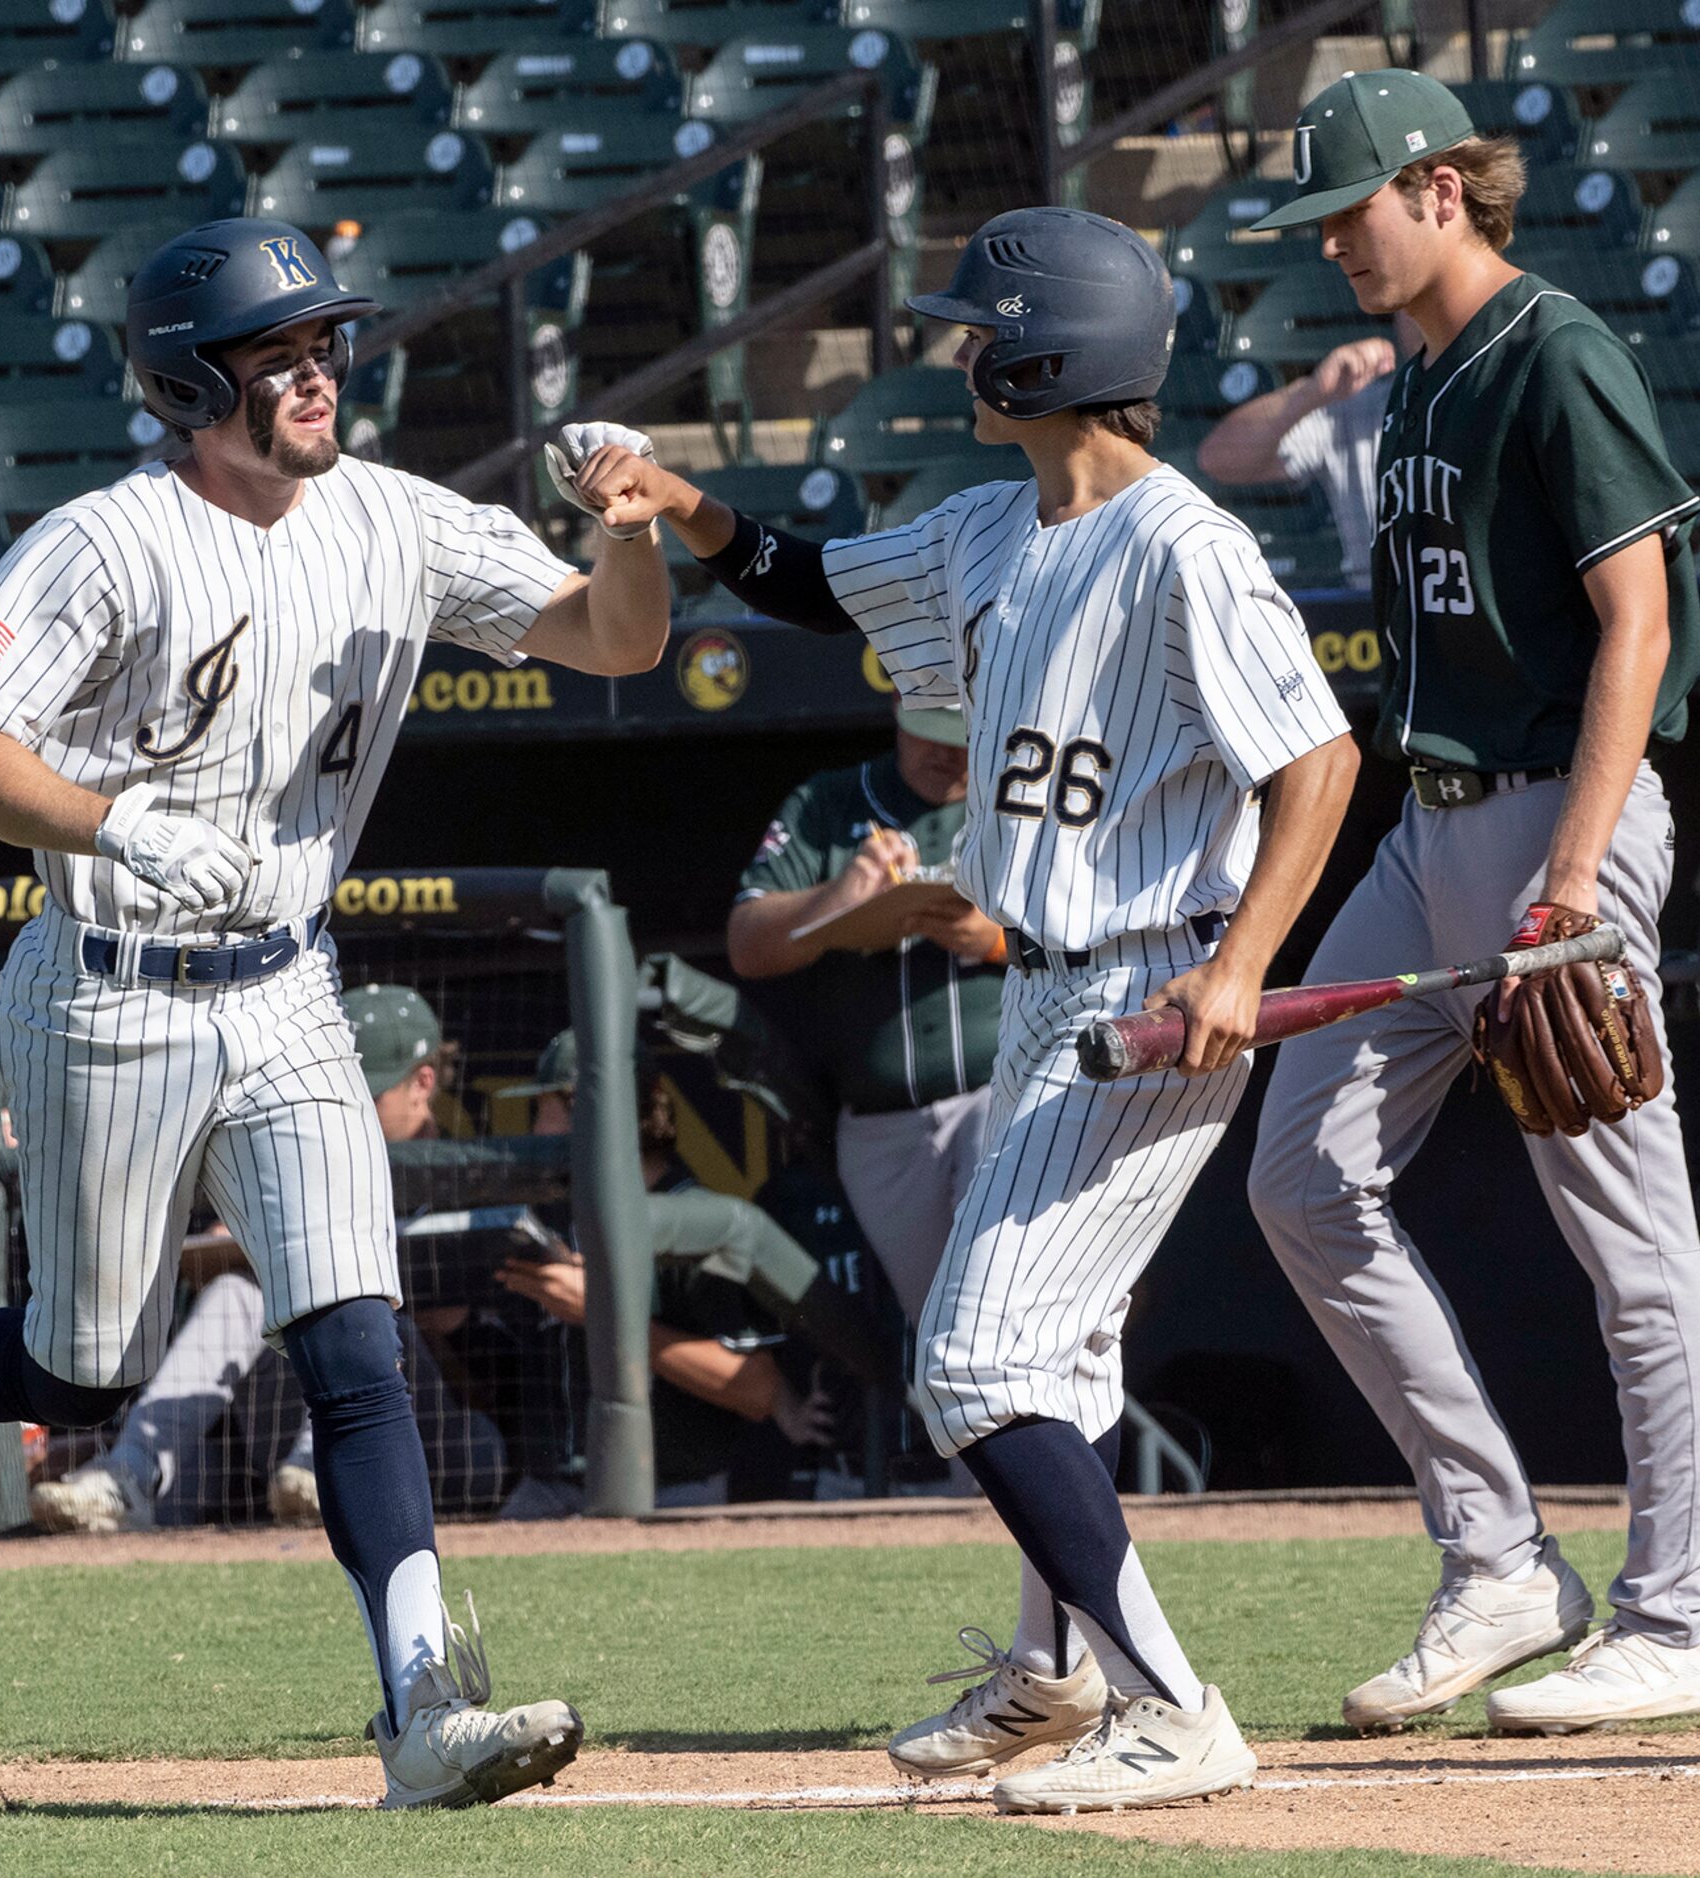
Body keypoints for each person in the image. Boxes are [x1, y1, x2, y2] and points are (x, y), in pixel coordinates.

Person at [0, 215, 667, 1810]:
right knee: (83, 1373)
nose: (322, 373)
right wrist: (120, 826)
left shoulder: (396, 519)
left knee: (355, 1335)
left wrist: (630, 529)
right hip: (108, 992)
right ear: (198, 382)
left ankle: (418, 1703)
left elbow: (616, 639)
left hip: (287, 990)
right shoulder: (104, 542)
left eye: (328, 345)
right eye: (283, 355)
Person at [563, 204, 1357, 1812]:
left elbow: (1317, 759)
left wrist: (1242, 964)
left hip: (1148, 976)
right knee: (1044, 1366)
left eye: (982, 329)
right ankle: (1057, 1674)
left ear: (1055, 351)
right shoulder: (996, 522)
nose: (960, 349)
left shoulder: (1184, 541)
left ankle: (1168, 1700)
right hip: (1055, 990)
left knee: (978, 1365)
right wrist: (676, 502)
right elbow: (802, 580)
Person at [1240, 71, 1700, 1737]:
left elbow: (1638, 628)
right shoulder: (1414, 376)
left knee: (1625, 1234)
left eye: (1348, 208)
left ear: (1438, 186)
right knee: (1300, 1174)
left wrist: (1570, 881)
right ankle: (1500, 1562)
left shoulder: (1552, 351)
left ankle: (1678, 1616)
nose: (1330, 242)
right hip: (1427, 825)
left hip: (1553, 823)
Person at [27, 984, 505, 1533]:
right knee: (239, 1295)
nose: (342, 1110)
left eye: (364, 1094)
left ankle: (322, 1465)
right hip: (289, 1431)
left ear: (422, 1083)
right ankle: (129, 1473)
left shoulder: (477, 1182)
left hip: (440, 1442)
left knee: (364, 1311)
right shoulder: (306, 1169)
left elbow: (505, 1382)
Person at [726, 701, 1003, 1320]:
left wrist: (997, 939)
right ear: (899, 713)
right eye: (929, 732)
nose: (947, 753)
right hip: (884, 1129)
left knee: (1004, 1307)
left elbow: (1109, 931)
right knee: (942, 1335)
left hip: (1003, 1094)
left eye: (961, 736)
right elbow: (746, 943)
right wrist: (837, 900)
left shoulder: (1024, 787)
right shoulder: (831, 803)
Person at [485, 1035, 826, 1518]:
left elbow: (760, 1392)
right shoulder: (546, 1222)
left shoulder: (699, 1220)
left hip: (674, 1487)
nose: (537, 1129)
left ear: (599, 1113)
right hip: (549, 1486)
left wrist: (603, 1315)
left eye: (547, 1110)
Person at [1194, 320, 1412, 585]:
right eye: (1411, 307)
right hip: (1369, 616)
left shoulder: (1477, 407)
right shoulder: (1350, 412)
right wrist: (1310, 393)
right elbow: (1219, 459)